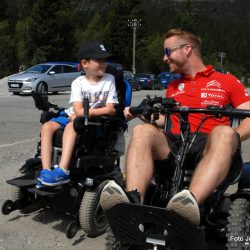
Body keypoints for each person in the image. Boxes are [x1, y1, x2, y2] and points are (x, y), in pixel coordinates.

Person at [100, 28, 250, 225]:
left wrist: (231, 138)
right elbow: (165, 121)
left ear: (187, 49)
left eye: (168, 51)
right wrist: (144, 115)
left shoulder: (227, 81)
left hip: (210, 145)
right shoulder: (173, 86)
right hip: (177, 145)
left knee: (224, 132)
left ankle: (188, 207)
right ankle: (134, 204)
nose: (164, 58)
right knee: (142, 131)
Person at [36, 41, 118, 188]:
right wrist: (79, 114)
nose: (104, 63)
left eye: (105, 60)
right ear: (85, 63)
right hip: (72, 115)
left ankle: (63, 170)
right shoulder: (78, 83)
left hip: (91, 121)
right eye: (99, 60)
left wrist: (83, 114)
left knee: (72, 126)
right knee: (47, 126)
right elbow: (77, 110)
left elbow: (111, 110)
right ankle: (47, 171)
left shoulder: (109, 80)